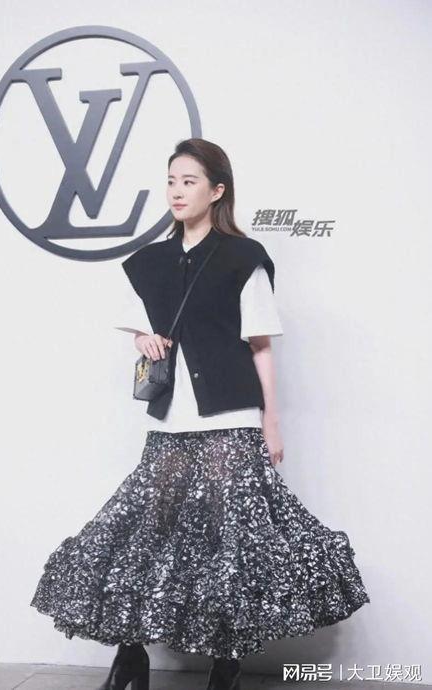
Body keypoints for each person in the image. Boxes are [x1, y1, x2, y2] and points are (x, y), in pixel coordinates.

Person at [30, 138, 370, 690]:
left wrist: (271, 421)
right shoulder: (149, 262)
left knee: (229, 544)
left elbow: (261, 345)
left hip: (229, 421)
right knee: (140, 533)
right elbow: (142, 328)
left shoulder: (243, 257)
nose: (177, 191)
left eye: (189, 181)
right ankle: (130, 655)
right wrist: (142, 339)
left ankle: (226, 661)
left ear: (217, 191)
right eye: (171, 180)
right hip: (170, 424)